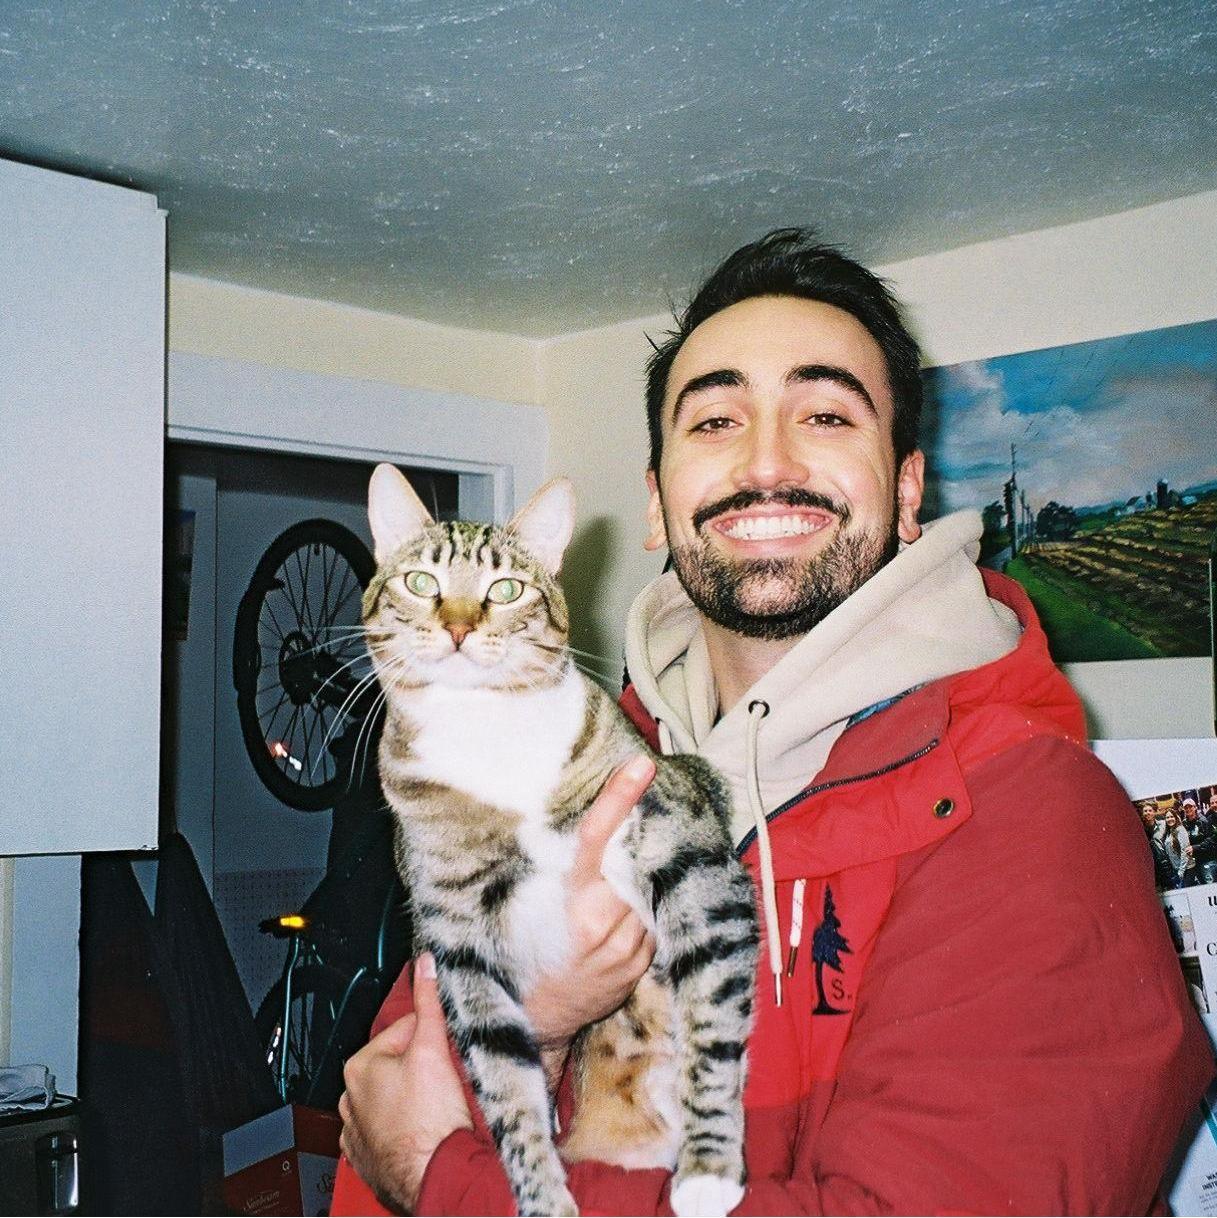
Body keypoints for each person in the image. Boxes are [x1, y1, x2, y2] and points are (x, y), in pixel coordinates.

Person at [333, 229, 1212, 1215]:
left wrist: (443, 1179)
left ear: (907, 491)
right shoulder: (558, 754)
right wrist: (538, 1025)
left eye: (825, 413)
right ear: (659, 505)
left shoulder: (1030, 812)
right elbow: (385, 1099)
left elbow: (411, 1149)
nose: (764, 459)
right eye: (713, 422)